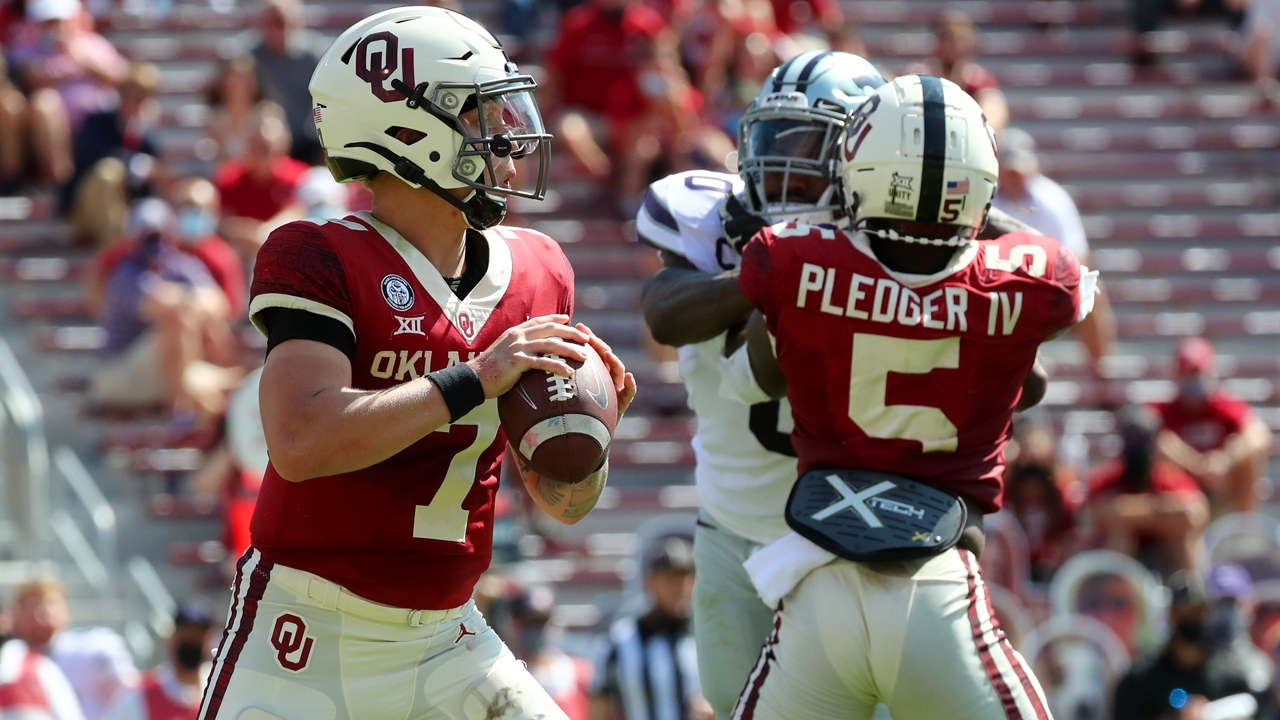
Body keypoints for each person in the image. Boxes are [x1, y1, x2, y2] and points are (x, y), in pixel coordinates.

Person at [196, 8, 635, 720]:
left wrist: (583, 439)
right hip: (309, 638)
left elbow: (563, 509)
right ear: (409, 131)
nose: (509, 139)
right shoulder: (318, 253)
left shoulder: (538, 270)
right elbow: (302, 440)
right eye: (484, 118)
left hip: (448, 637)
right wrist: (475, 378)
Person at [732, 75, 1095, 719]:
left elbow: (771, 358)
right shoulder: (1032, 278)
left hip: (818, 586)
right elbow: (1038, 316)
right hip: (938, 587)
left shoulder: (788, 259)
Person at [636, 50, 885, 720]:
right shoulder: (713, 222)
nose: (784, 165)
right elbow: (663, 309)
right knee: (732, 698)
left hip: (849, 531)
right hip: (731, 526)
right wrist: (773, 277)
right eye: (775, 139)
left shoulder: (891, 245)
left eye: (809, 146)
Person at [87, 199, 242, 421]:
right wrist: (193, 302)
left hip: (169, 371)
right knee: (179, 321)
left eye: (159, 234)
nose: (155, 241)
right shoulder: (126, 274)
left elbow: (219, 305)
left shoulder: (181, 264)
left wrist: (189, 303)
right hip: (119, 374)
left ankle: (200, 407)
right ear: (133, 238)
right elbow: (164, 305)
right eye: (148, 235)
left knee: (225, 361)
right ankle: (182, 409)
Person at [991, 127, 1115, 364]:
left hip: (1043, 279)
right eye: (1010, 170)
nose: (1016, 177)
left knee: (1090, 290)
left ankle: (1100, 368)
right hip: (995, 278)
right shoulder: (988, 197)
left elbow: (1078, 260)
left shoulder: (1053, 201)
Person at [1113, 570, 1267, 720]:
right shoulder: (1139, 681)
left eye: (1202, 609)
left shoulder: (1233, 678)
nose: (1197, 616)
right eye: (1189, 610)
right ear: (1171, 614)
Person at [589, 534, 711, 720]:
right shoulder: (620, 642)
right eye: (671, 579)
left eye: (687, 578)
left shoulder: (707, 638)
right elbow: (598, 711)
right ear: (650, 582)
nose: (680, 587)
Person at [7, 0, 127, 184]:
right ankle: (59, 182)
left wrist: (84, 63)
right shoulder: (27, 49)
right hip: (47, 134)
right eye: (46, 22)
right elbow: (16, 74)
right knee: (44, 104)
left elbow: (125, 79)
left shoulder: (90, 45)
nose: (52, 27)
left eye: (56, 21)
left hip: (94, 128)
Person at [1155, 336, 1274, 514]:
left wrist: (1224, 460)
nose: (1192, 380)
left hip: (1223, 485)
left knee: (1250, 459)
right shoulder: (1165, 410)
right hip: (1183, 494)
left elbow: (1259, 435)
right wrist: (1197, 466)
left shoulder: (1223, 404)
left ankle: (1245, 526)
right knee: (1159, 457)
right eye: (1186, 373)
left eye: (1196, 373)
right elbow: (1152, 440)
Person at [1087, 405, 1209, 575]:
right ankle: (1115, 594)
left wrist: (1128, 510)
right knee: (1121, 536)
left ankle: (1187, 597)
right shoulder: (1107, 478)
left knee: (1180, 537)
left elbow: (1192, 514)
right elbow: (1101, 516)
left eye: (1142, 438)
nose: (1136, 446)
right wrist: (1161, 510)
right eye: (1131, 438)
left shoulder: (1168, 476)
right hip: (1125, 559)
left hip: (1164, 555)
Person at [67, 61, 161, 246]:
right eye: (130, 93)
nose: (134, 100)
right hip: (86, 206)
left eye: (141, 96)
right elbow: (92, 155)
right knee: (109, 172)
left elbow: (150, 185)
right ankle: (115, 250)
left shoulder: (146, 135)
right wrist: (135, 164)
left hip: (124, 213)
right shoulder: (97, 121)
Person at [242, 0, 329, 162]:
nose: (276, 30)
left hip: (305, 143)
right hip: (259, 144)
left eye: (281, 23)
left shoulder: (314, 56)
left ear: (297, 22)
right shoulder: (247, 58)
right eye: (271, 23)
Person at [212, 113, 307, 258]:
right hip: (241, 253)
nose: (261, 155)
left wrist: (264, 233)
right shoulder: (229, 177)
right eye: (255, 147)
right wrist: (254, 234)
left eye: (266, 148)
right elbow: (221, 224)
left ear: (283, 149)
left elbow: (299, 213)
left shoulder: (299, 177)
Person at [101, 602, 216, 720]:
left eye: (197, 636)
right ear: (173, 639)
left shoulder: (221, 690)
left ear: (208, 640)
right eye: (186, 635)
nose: (192, 641)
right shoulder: (139, 697)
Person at [906, 11, 1008, 132]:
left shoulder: (976, 77)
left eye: (959, 39)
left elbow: (994, 113)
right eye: (947, 38)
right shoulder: (921, 75)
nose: (952, 46)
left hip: (968, 138)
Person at [0, 583, 85, 720]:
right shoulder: (18, 661)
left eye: (49, 606)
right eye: (31, 608)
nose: (41, 617)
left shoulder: (92, 650)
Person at [506, 587, 592, 720]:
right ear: (514, 624)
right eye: (528, 623)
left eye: (540, 623)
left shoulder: (578, 672)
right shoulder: (505, 675)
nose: (534, 630)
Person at [202, 54, 287, 165]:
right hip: (226, 179)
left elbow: (279, 152)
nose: (238, 89)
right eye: (233, 83)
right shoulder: (214, 119)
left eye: (242, 83)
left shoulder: (268, 114)